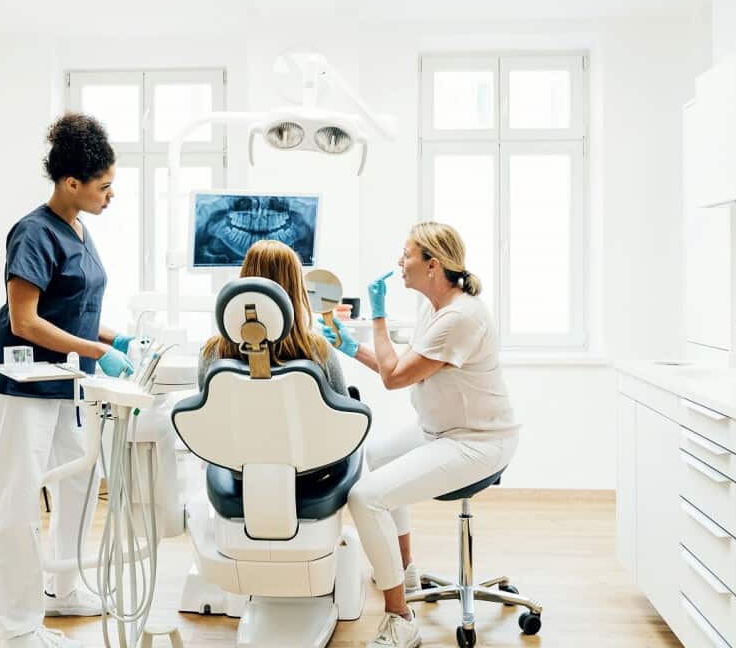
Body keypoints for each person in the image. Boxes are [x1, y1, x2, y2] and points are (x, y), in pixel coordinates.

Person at [0, 113, 137, 648]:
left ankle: (62, 588)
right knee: (16, 504)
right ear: (71, 183)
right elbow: (25, 321)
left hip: (63, 382)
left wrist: (119, 340)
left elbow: (76, 312)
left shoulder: (78, 228)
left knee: (79, 481)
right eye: (104, 186)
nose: (111, 196)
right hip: (20, 384)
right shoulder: (33, 232)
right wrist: (96, 349)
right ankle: (20, 626)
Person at [320, 222, 520, 648]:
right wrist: (352, 349)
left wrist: (376, 316)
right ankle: (404, 568)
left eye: (406, 254)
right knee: (377, 456)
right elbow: (407, 367)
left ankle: (400, 618)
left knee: (364, 496)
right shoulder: (435, 307)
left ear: (433, 265)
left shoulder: (460, 317)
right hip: (441, 430)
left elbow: (394, 378)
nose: (399, 262)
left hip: (477, 442)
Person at [197, 239, 348, 395]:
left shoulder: (211, 353)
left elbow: (206, 415)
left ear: (245, 277)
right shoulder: (319, 351)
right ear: (296, 290)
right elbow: (345, 415)